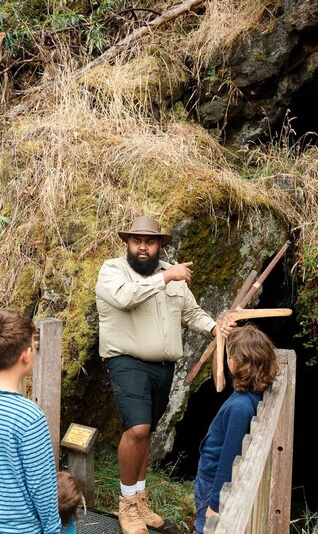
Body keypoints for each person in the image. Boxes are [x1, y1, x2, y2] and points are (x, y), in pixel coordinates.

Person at [95, 215, 234, 534]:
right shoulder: (112, 271)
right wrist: (166, 277)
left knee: (148, 433)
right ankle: (126, 504)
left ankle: (140, 499)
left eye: (150, 241)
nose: (143, 247)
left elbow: (191, 313)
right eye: (137, 241)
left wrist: (215, 327)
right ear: (127, 243)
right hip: (127, 361)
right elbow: (124, 297)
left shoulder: (170, 275)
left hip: (163, 367)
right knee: (138, 429)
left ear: (159, 245)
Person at [0, 310, 61, 534]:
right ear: (26, 354)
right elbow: (42, 487)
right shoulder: (29, 416)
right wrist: (53, 529)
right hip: (18, 528)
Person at [193, 324, 278, 534]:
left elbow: (229, 458)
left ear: (235, 361)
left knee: (204, 528)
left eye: (229, 354)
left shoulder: (240, 407)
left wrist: (215, 505)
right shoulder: (250, 394)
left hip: (212, 480)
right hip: (212, 478)